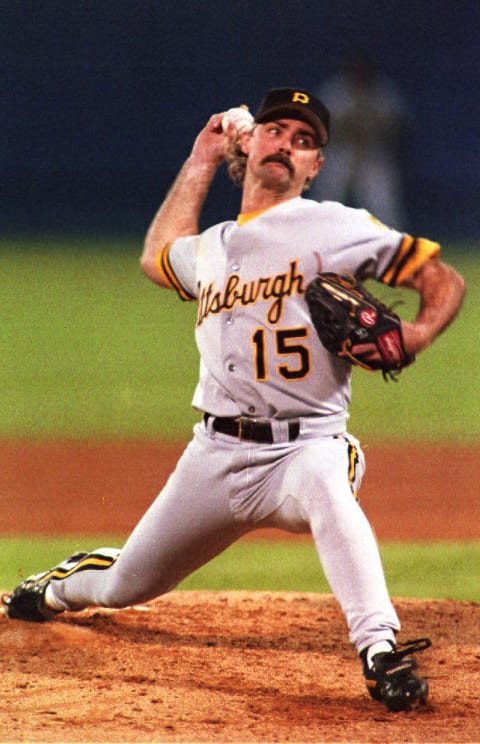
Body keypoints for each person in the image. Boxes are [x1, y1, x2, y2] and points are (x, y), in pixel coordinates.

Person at [3, 87, 465, 711]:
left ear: (314, 167)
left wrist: (416, 333)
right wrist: (199, 161)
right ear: (251, 145)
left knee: (330, 490)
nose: (289, 146)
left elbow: (442, 279)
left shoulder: (339, 225)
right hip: (214, 457)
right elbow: (156, 256)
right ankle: (51, 590)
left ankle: (380, 651)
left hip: (304, 446)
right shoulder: (213, 249)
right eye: (278, 131)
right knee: (124, 585)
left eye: (306, 142)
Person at [309, 51, 411, 229]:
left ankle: (395, 247)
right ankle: (315, 239)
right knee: (327, 199)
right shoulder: (337, 91)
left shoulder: (383, 92)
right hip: (341, 151)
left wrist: (367, 130)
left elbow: (396, 125)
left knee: (384, 205)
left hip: (372, 152)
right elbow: (325, 126)